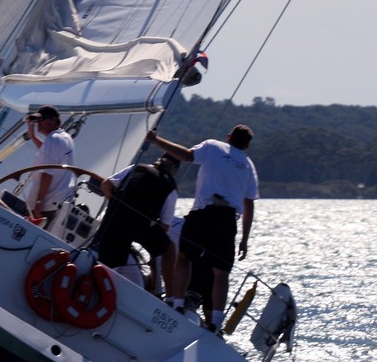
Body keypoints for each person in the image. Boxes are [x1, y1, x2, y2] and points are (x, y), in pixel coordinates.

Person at [147, 125, 258, 333]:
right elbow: (249, 203)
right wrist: (244, 239)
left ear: (228, 137)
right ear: (247, 145)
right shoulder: (248, 165)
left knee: (184, 257)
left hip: (203, 213)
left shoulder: (213, 146)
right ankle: (215, 322)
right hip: (228, 220)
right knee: (221, 272)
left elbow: (187, 156)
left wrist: (157, 140)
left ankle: (177, 304)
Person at [95, 154, 180, 294]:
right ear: (174, 169)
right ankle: (171, 296)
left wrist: (116, 204)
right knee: (169, 249)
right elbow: (165, 226)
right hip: (140, 227)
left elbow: (106, 185)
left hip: (113, 221)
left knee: (111, 257)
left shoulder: (138, 168)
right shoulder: (171, 187)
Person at [25, 105, 75, 226]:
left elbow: (47, 175)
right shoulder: (64, 137)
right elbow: (49, 154)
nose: (38, 123)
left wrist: (38, 204)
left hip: (46, 205)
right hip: (59, 201)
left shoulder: (53, 139)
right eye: (37, 120)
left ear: (53, 120)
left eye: (42, 119)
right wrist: (33, 136)